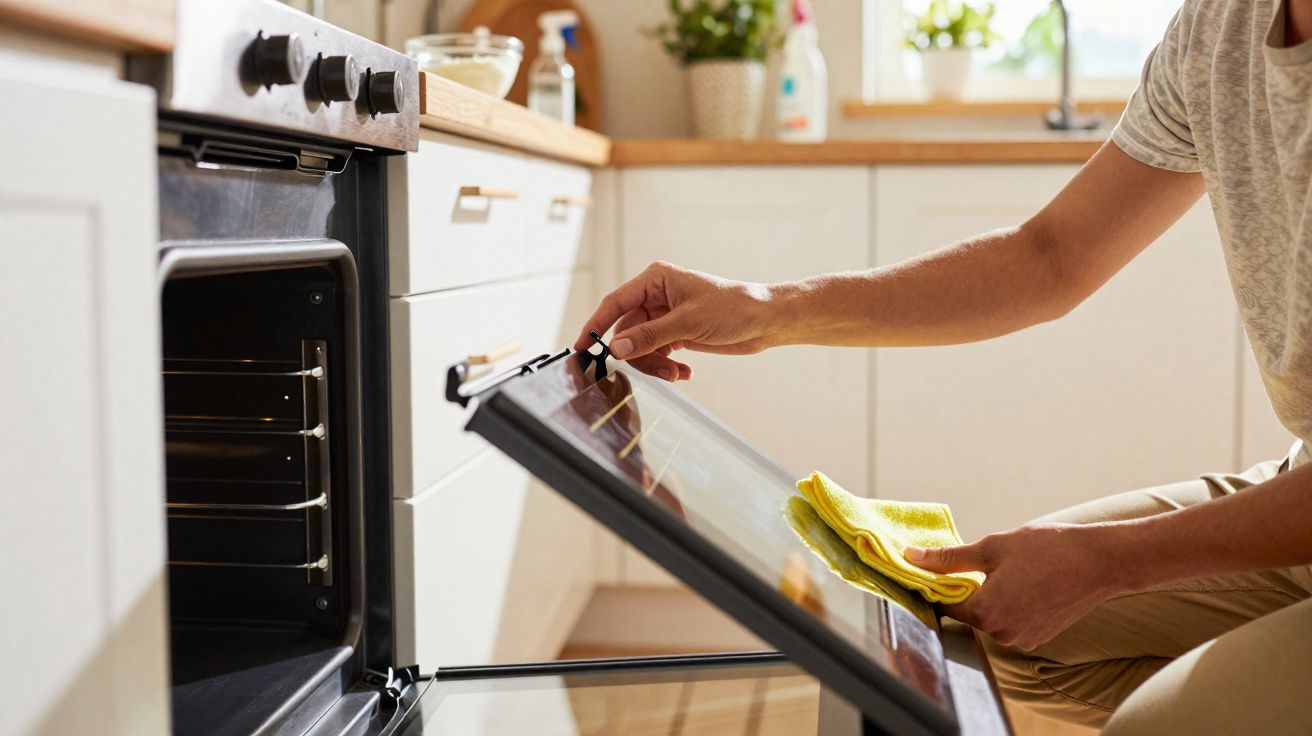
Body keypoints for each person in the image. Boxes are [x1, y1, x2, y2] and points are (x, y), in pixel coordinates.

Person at [574, 0, 1312, 731]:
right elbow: (1049, 257)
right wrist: (769, 308)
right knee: (1006, 633)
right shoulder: (1220, 27)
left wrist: (1112, 560)